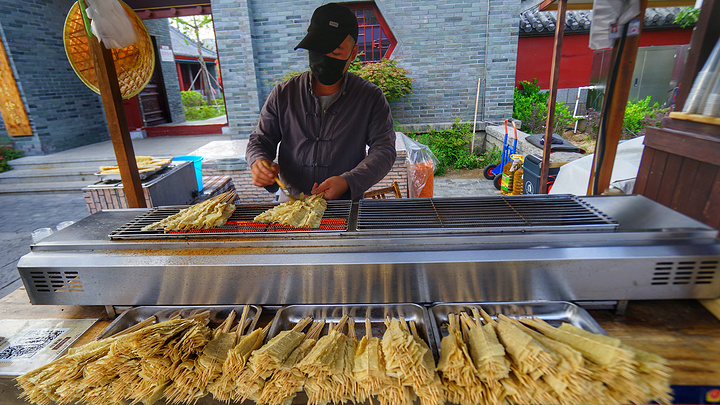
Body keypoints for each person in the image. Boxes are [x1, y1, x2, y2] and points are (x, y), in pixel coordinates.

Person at [246, 2, 396, 201]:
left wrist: (348, 181)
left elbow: (384, 150)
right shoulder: (283, 94)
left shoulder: (370, 97)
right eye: (318, 50)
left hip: (344, 205)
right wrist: (259, 162)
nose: (325, 59)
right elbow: (260, 140)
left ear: (353, 53)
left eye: (335, 52)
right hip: (290, 203)